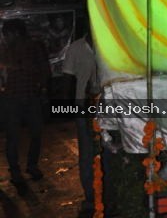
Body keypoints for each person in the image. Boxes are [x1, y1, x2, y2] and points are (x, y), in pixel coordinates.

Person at [0, 18, 51, 190]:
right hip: (23, 97)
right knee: (29, 134)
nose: (5, 37)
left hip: (19, 98)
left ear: (15, 33)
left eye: (6, 34)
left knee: (16, 136)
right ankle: (28, 167)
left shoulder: (31, 47)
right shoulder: (11, 48)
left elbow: (42, 69)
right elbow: (44, 70)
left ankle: (21, 169)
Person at [61, 19, 99, 218]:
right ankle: (90, 197)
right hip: (83, 107)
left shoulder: (107, 47)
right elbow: (67, 78)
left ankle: (106, 195)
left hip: (106, 107)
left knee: (108, 153)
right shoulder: (76, 48)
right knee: (86, 153)